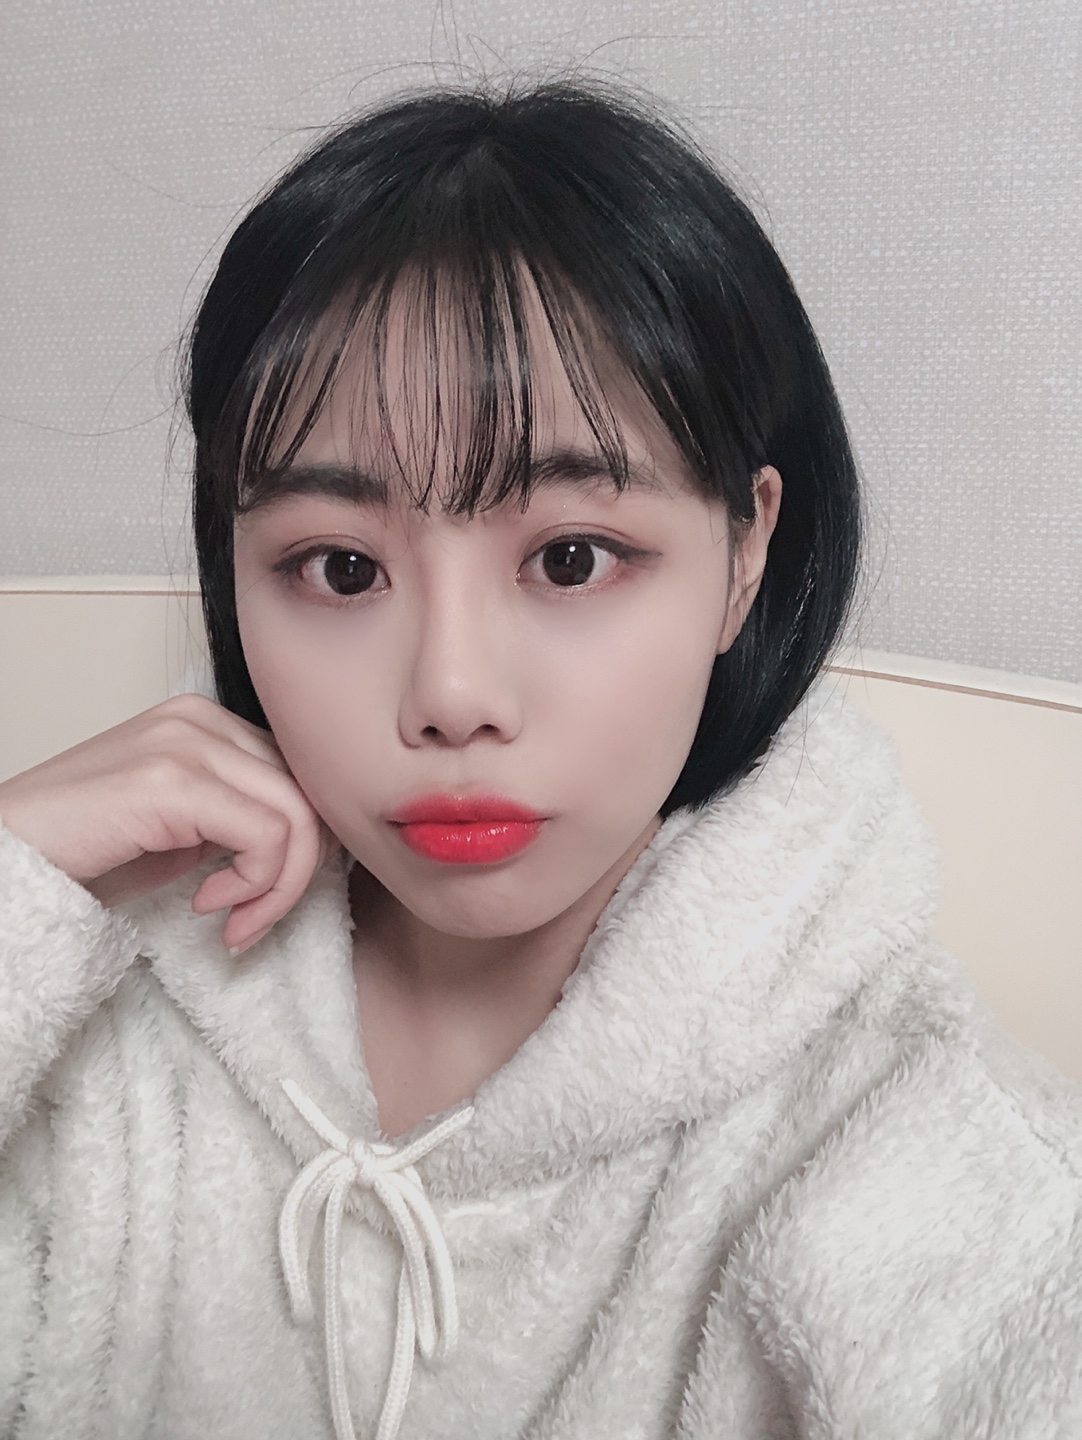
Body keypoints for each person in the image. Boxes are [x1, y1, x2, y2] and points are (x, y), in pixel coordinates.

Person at [0, 81, 1078, 1440]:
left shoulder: (911, 1144)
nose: (452, 695)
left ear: (744, 552)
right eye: (340, 569)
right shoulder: (100, 1030)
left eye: (571, 558)